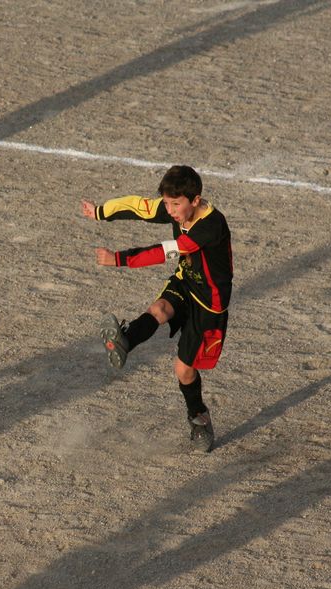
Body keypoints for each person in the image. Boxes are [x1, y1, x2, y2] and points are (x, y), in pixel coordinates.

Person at [82, 165, 233, 453]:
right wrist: (100, 211)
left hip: (209, 304)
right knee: (160, 309)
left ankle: (199, 417)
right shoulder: (177, 208)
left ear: (195, 200)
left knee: (183, 370)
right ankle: (125, 340)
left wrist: (119, 259)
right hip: (185, 282)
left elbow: (166, 251)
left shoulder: (211, 226)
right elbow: (139, 207)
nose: (170, 211)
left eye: (176, 205)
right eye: (167, 203)